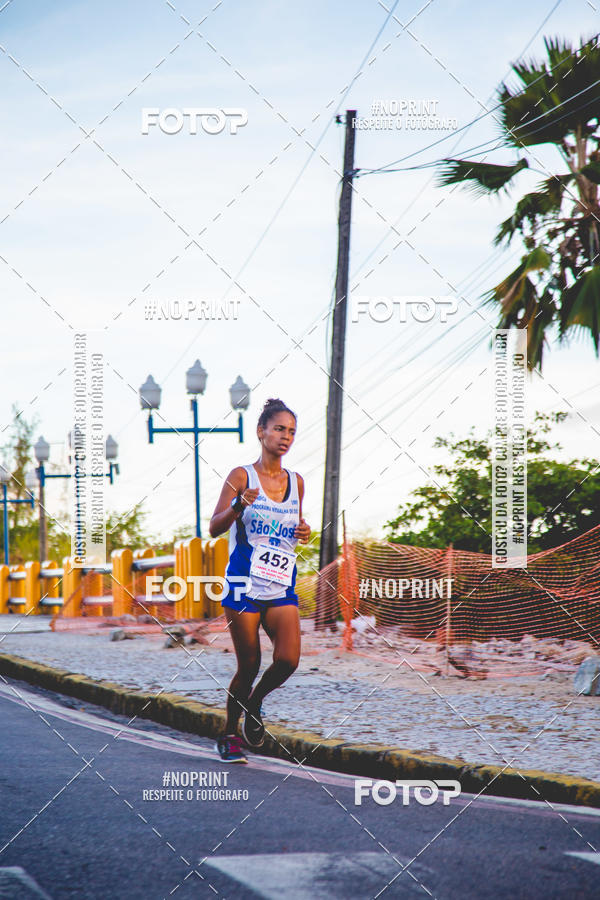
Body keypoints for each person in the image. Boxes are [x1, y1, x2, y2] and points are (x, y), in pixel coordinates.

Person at [209, 398, 311, 763]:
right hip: (243, 585)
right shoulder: (241, 476)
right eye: (279, 429)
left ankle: (254, 704)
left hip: (281, 585)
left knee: (288, 660)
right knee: (249, 665)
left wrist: (304, 531)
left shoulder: (297, 482)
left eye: (292, 432)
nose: (286, 437)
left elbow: (294, 528)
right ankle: (228, 734)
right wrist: (238, 505)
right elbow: (214, 527)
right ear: (261, 432)